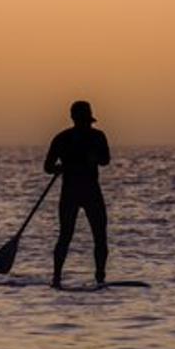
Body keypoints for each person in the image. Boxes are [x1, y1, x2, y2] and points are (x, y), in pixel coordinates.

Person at [44, 99, 111, 289]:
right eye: (83, 120)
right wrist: (61, 167)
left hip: (91, 191)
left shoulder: (98, 137)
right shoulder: (62, 139)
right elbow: (48, 167)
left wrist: (94, 157)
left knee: (100, 236)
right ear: (74, 119)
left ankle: (100, 277)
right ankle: (56, 278)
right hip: (72, 193)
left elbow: (106, 160)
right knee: (65, 235)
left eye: (86, 121)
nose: (85, 125)